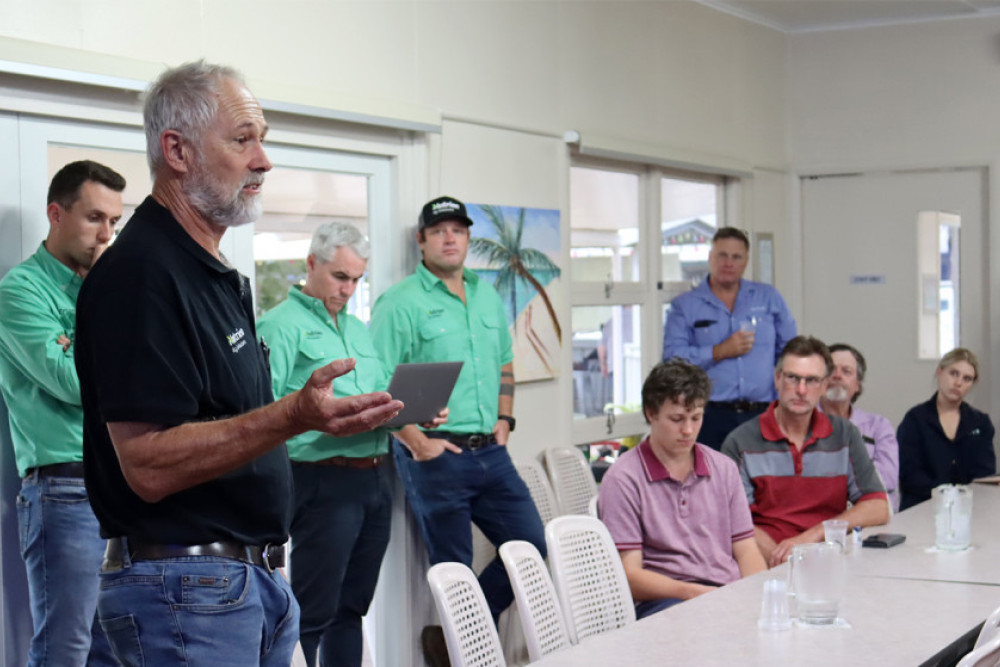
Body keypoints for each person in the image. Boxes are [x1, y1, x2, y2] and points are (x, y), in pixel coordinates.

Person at [73, 61, 401, 666]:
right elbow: (145, 463)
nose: (263, 161)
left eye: (264, 140)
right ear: (177, 150)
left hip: (244, 583)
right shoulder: (142, 274)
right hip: (186, 589)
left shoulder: (213, 275)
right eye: (243, 139)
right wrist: (294, 415)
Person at [370, 195, 546, 666]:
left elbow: (505, 363)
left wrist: (506, 419)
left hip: (491, 451)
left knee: (531, 547)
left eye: (458, 230)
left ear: (467, 238)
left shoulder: (487, 294)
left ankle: (453, 642)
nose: (450, 237)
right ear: (421, 240)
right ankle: (466, 652)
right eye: (440, 230)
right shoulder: (400, 302)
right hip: (436, 456)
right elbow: (375, 382)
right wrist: (417, 441)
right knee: (454, 569)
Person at [258, 222, 414, 667]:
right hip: (321, 481)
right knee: (311, 612)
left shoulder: (357, 328)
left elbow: (377, 391)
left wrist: (411, 410)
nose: (348, 289)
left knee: (352, 609)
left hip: (376, 477)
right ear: (311, 264)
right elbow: (261, 411)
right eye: (339, 277)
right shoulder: (280, 325)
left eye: (356, 279)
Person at [0, 160, 124, 667]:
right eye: (95, 217)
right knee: (64, 650)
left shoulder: (104, 288)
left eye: (115, 222)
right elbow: (77, 383)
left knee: (113, 648)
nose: (106, 234)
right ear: (56, 213)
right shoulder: (21, 291)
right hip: (64, 491)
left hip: (122, 486)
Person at [598, 359, 766, 619]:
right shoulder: (623, 478)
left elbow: (746, 550)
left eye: (696, 418)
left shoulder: (723, 468)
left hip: (725, 594)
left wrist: (758, 598)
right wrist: (693, 593)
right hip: (664, 603)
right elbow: (629, 575)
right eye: (676, 419)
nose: (688, 430)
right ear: (651, 414)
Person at [721, 336, 889, 566]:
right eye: (793, 378)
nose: (801, 390)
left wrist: (812, 536)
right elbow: (732, 521)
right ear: (777, 379)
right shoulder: (741, 441)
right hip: (765, 564)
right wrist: (781, 559)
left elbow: (879, 506)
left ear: (823, 386)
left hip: (829, 560)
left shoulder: (844, 434)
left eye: (811, 380)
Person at [663, 227, 797, 450]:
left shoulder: (768, 298)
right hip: (708, 414)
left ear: (745, 262)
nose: (729, 263)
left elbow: (791, 353)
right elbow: (671, 360)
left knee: (765, 482)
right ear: (710, 258)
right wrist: (718, 351)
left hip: (763, 413)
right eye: (722, 255)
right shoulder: (685, 305)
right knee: (711, 482)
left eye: (736, 257)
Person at [897, 348, 996, 511]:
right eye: (954, 374)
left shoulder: (980, 423)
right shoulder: (915, 419)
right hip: (920, 509)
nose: (959, 383)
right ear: (940, 373)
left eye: (967, 378)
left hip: (969, 510)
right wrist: (947, 495)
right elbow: (910, 474)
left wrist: (960, 499)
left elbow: (984, 475)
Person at [819, 343, 900, 511]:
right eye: (831, 370)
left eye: (846, 371)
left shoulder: (879, 426)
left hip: (873, 523)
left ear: (857, 385)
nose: (837, 376)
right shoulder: (801, 422)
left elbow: (889, 478)